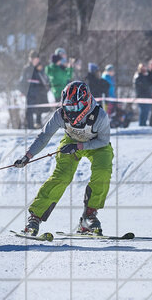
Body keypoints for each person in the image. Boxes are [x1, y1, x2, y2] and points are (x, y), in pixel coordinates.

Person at [14, 80, 113, 236]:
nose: (72, 111)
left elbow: (104, 141)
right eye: (69, 107)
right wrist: (27, 156)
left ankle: (89, 216)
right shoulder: (60, 115)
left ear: (86, 102)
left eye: (76, 107)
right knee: (62, 176)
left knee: (103, 171)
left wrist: (80, 146)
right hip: (70, 142)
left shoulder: (100, 116)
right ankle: (35, 217)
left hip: (96, 145)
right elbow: (44, 136)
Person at [21, 51, 50, 130]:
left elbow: (46, 80)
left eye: (37, 59)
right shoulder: (26, 69)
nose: (35, 60)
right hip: (30, 93)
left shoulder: (41, 68)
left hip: (40, 92)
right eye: (34, 58)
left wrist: (40, 71)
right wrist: (23, 91)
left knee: (39, 110)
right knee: (30, 110)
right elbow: (22, 81)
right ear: (30, 59)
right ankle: (30, 126)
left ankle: (39, 124)